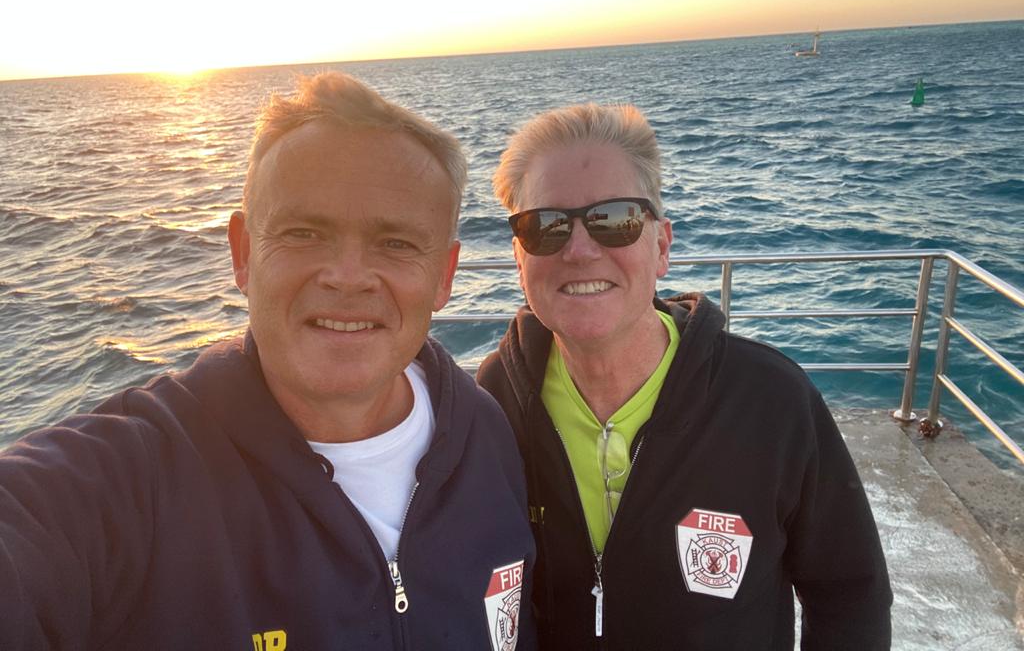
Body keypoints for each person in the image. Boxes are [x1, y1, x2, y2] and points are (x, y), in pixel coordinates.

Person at [0, 72, 535, 651]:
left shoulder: (486, 431)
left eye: (396, 243)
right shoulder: (133, 478)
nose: (347, 277)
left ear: (445, 276)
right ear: (244, 253)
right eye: (305, 233)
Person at [477, 103, 891, 650]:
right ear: (519, 258)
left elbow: (850, 594)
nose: (579, 250)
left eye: (615, 220)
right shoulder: (493, 401)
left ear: (661, 246)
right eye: (546, 226)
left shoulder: (770, 400)